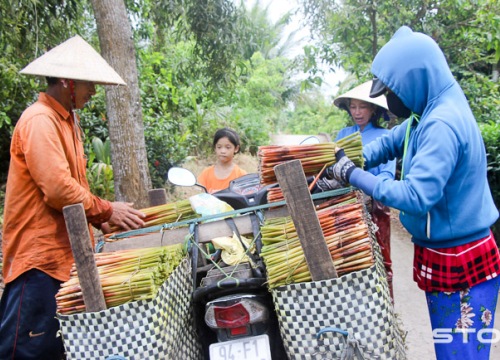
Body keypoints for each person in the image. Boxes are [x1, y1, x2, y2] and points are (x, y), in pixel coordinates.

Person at [327, 26, 500, 359]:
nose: (390, 100)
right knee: (449, 349)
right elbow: (388, 144)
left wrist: (353, 174)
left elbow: (416, 196)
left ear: (415, 80)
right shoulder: (425, 114)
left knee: (461, 354)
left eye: (393, 90)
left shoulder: (442, 124)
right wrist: (343, 159)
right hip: (443, 251)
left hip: (462, 258)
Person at [0, 35, 146, 359]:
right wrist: (106, 210)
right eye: (88, 84)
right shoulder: (40, 120)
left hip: (65, 260)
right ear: (67, 82)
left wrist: (99, 218)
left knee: (59, 348)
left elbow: (72, 185)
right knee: (27, 350)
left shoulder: (68, 121)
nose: (93, 92)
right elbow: (57, 189)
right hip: (37, 263)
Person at [333, 80, 396, 299]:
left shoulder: (384, 137)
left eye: (363, 107)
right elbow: (333, 169)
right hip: (344, 205)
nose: (357, 112)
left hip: (373, 206)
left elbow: (387, 175)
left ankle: (384, 309)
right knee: (347, 258)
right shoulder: (343, 134)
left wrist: (369, 190)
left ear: (373, 109)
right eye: (353, 106)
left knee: (379, 259)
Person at [198, 128, 247, 193]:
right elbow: (201, 198)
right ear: (215, 148)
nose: (223, 151)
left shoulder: (241, 175)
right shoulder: (206, 173)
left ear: (236, 148)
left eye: (228, 147)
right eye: (219, 147)